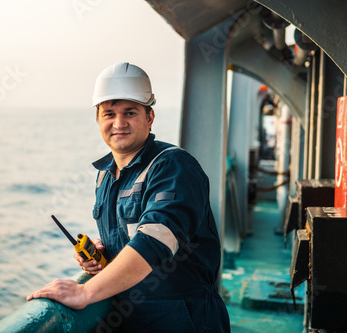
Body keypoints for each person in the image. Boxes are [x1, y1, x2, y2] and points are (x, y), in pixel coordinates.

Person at [27, 62, 230, 332]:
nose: (118, 123)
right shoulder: (106, 175)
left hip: (183, 320)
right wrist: (102, 256)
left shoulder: (174, 167)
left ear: (150, 117)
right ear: (98, 119)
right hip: (130, 319)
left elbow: (154, 242)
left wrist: (85, 293)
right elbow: (132, 238)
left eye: (130, 112)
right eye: (108, 113)